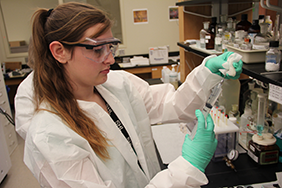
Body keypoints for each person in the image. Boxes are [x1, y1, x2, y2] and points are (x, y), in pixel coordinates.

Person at [14, 2, 243, 188]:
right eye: (97, 49)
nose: (110, 59)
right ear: (59, 51)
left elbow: (172, 105)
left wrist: (207, 73)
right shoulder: (50, 134)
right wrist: (186, 168)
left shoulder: (117, 84)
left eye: (110, 46)